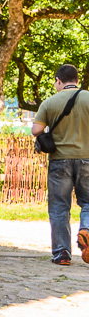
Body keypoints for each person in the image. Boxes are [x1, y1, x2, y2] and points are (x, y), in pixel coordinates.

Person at [31, 63, 89, 265]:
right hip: (87, 159)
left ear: (58, 80)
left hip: (59, 161)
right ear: (77, 79)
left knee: (59, 207)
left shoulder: (49, 102)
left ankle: (62, 253)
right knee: (88, 202)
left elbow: (36, 130)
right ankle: (87, 229)